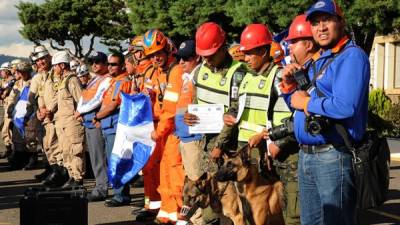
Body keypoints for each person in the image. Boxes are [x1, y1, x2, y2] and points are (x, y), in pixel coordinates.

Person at [280, 1, 370, 224]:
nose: (321, 28)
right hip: (306, 155)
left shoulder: (352, 57)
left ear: (341, 22)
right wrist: (289, 87)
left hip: (333, 155)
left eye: (327, 20)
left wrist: (307, 103)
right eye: (316, 23)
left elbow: (345, 106)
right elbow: (298, 105)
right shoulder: (317, 60)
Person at [183, 22, 250, 225]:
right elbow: (196, 101)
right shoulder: (200, 70)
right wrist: (190, 115)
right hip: (207, 146)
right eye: (203, 55)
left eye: (211, 54)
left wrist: (220, 145)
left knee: (234, 203)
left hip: (229, 150)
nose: (207, 59)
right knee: (212, 206)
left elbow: (234, 113)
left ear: (222, 47)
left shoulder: (238, 73)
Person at [93, 52, 131, 207]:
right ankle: (119, 193)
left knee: (117, 161)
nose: (110, 67)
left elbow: (112, 105)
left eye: (114, 64)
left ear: (122, 65)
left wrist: (97, 116)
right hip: (108, 126)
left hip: (115, 127)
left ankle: (121, 195)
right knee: (113, 161)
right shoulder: (113, 81)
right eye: (108, 64)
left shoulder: (121, 81)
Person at [173, 40, 204, 225]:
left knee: (195, 184)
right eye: (179, 58)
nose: (181, 62)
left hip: (194, 139)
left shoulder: (199, 77)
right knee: (189, 183)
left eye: (186, 58)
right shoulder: (187, 78)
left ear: (197, 57)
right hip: (184, 138)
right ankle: (194, 219)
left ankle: (199, 220)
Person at [76, 51, 111, 201]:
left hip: (97, 119)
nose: (95, 65)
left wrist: (80, 111)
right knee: (95, 156)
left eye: (98, 62)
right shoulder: (94, 80)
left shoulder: (107, 79)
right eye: (92, 62)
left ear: (105, 64)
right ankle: (100, 185)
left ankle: (102, 188)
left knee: (100, 156)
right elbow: (84, 97)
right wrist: (79, 110)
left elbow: (97, 100)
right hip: (88, 120)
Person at [53, 51, 85, 188]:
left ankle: (78, 179)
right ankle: (72, 176)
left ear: (62, 65)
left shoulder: (72, 80)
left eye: (55, 66)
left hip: (72, 122)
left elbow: (81, 100)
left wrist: (79, 114)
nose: (54, 69)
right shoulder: (62, 81)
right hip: (62, 122)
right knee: (66, 151)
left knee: (75, 150)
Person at [0, 62, 15, 159]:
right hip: (4, 106)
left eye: (2, 70)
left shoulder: (11, 81)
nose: (1, 72)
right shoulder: (3, 81)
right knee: (5, 130)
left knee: (7, 129)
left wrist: (2, 92)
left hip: (9, 107)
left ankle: (12, 150)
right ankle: (9, 149)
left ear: (7, 71)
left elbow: (4, 94)